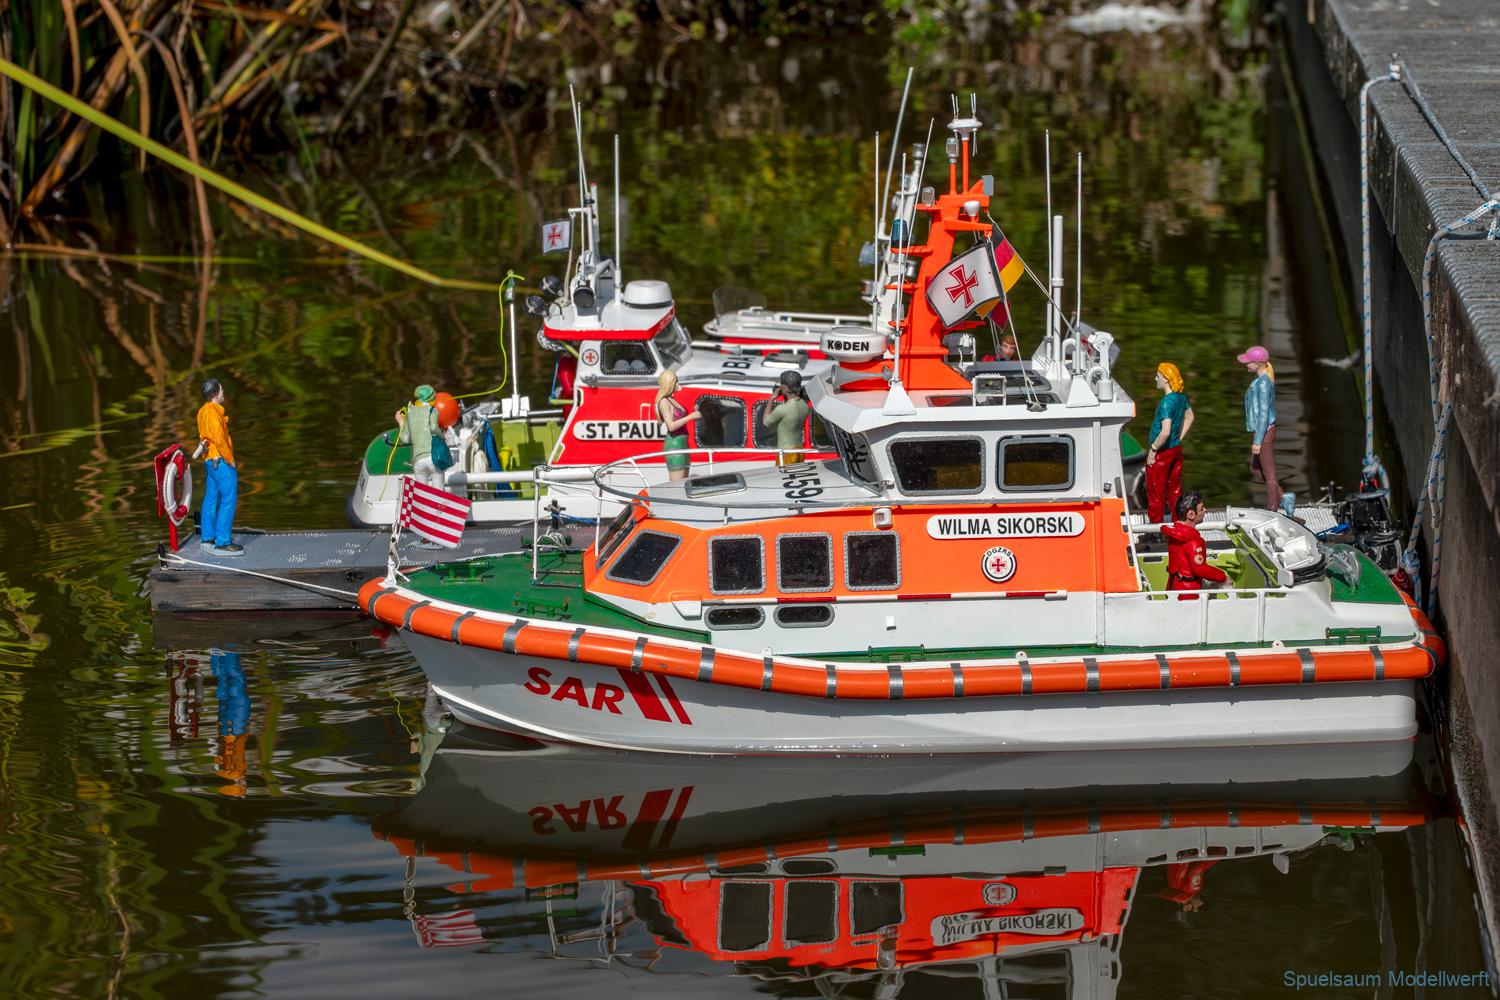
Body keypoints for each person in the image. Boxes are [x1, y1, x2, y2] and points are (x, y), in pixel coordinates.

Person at [196, 378, 243, 555]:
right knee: (228, 498)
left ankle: (208, 537)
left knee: (211, 498)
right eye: (222, 390)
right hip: (221, 461)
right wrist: (230, 460)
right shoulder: (214, 414)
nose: (223, 392)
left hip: (209, 461)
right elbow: (220, 440)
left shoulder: (202, 411)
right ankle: (223, 541)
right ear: (216, 394)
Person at [1145, 362, 1194, 523]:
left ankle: (1155, 527)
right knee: (1175, 489)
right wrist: (1179, 437)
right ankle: (1178, 521)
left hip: (1162, 453)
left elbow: (1165, 432)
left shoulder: (1166, 403)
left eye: (1158, 376)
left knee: (1156, 490)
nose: (1155, 379)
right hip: (1176, 450)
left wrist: (1153, 449)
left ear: (1166, 379)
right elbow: (1190, 417)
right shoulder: (1181, 398)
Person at [1238, 345, 1284, 512]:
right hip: (1261, 431)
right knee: (1255, 468)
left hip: (1264, 432)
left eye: (1247, 362)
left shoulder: (1263, 384)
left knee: (1269, 475)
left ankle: (1273, 509)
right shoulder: (1260, 381)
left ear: (1257, 363)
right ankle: (1284, 497)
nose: (1245, 364)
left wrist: (1258, 441)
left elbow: (1264, 414)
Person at [1160, 490, 1228, 592]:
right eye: (1201, 509)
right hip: (1189, 591)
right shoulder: (1192, 541)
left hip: (1173, 586)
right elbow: (1200, 569)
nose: (1205, 510)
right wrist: (1222, 577)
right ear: (1191, 514)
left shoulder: (1176, 534)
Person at [395, 384, 444, 489]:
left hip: (418, 461)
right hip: (433, 458)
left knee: (423, 493)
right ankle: (438, 505)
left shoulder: (410, 412)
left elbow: (405, 439)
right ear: (431, 397)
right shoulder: (432, 410)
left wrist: (401, 422)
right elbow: (434, 427)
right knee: (439, 493)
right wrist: (442, 436)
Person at [656, 370, 700, 481]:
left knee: (685, 482)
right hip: (674, 447)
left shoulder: (672, 399)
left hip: (683, 445)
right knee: (677, 485)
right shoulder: (664, 402)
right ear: (669, 383)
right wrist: (691, 417)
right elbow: (671, 426)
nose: (677, 384)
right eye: (675, 382)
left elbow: (679, 417)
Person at [762, 370, 811, 466]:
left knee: (783, 477)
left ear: (784, 387)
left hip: (786, 453)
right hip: (799, 451)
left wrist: (771, 399)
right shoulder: (804, 406)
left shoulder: (782, 409)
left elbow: (766, 422)